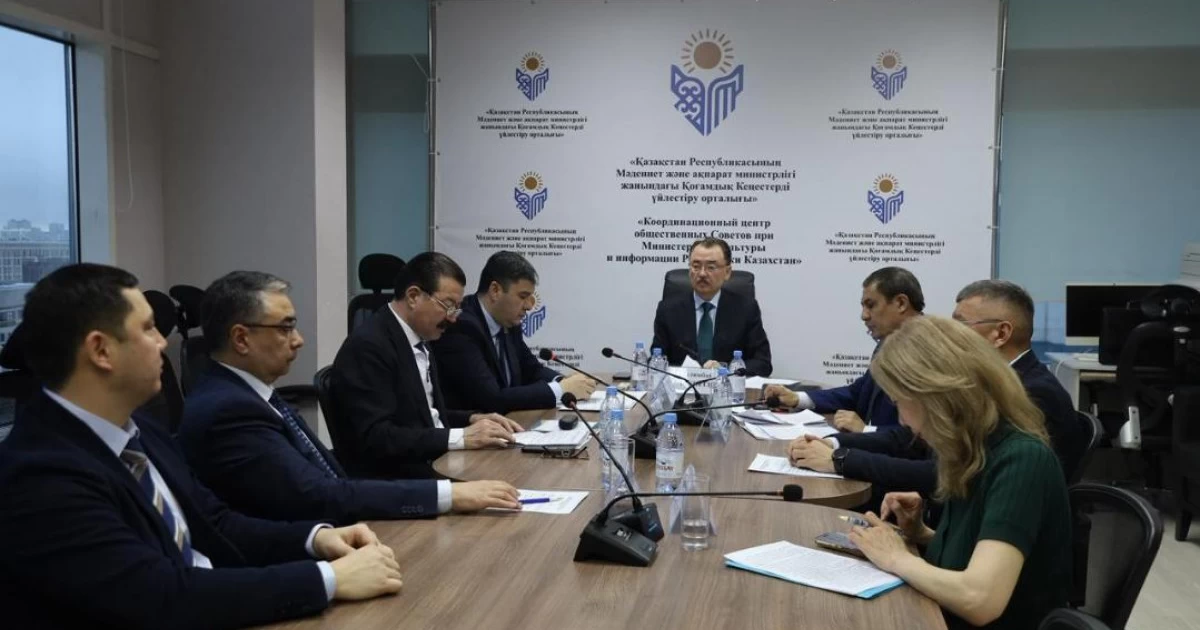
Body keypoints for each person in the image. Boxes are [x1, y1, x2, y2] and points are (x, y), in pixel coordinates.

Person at [0, 264, 402, 629]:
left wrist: (315, 539)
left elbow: (216, 523)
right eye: (148, 329)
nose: (163, 343)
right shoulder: (40, 476)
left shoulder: (140, 429)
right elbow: (159, 596)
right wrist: (328, 579)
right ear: (101, 350)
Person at [178, 271, 521, 524]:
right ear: (241, 339)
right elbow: (314, 495)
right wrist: (449, 495)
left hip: (343, 514)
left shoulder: (255, 393)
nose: (298, 340)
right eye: (285, 328)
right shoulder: (230, 410)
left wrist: (469, 423)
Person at [847, 316, 1072, 630]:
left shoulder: (1022, 460)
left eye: (899, 403)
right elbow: (978, 556)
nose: (901, 420)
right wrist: (921, 534)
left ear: (935, 397)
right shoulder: (973, 450)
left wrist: (896, 558)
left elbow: (980, 600)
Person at [787, 279, 1085, 494]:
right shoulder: (988, 383)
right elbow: (913, 438)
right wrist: (836, 444)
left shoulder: (1032, 394)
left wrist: (841, 461)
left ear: (1001, 333)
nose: (951, 336)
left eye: (961, 326)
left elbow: (949, 473)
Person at [331, 252, 523, 479]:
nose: (453, 318)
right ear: (413, 296)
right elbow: (378, 437)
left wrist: (472, 419)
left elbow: (422, 416)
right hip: (398, 478)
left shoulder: (420, 338)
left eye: (457, 309)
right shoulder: (369, 346)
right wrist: (461, 437)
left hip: (431, 461)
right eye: (448, 306)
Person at [766, 266, 924, 432]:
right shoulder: (889, 342)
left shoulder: (928, 351)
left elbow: (925, 435)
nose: (864, 315)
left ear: (900, 303)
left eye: (871, 305)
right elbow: (857, 394)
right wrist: (797, 398)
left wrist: (865, 431)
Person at [434, 251, 596, 413]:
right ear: (495, 290)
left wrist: (564, 381)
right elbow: (492, 398)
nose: (529, 306)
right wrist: (561, 389)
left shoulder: (508, 321)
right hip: (471, 426)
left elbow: (531, 370)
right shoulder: (461, 327)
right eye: (522, 296)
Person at [650, 237, 773, 376]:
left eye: (711, 267)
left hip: (727, 386)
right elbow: (656, 360)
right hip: (682, 387)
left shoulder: (746, 309)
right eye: (696, 266)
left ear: (727, 272)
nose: (702, 273)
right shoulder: (668, 310)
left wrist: (726, 369)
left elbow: (763, 363)